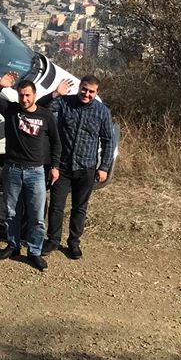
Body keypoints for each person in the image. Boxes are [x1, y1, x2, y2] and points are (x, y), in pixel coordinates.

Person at [0, 72, 61, 271]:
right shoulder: (11, 110)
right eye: (21, 95)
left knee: (37, 216)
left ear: (35, 95)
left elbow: (56, 142)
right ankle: (13, 245)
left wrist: (55, 167)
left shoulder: (45, 115)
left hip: (36, 172)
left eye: (28, 95)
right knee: (12, 213)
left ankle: (34, 251)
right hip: (12, 170)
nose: (24, 99)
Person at [37, 75, 115, 260]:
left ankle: (74, 242)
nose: (86, 94)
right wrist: (55, 93)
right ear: (79, 88)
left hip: (86, 167)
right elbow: (40, 108)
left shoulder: (102, 111)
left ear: (97, 92)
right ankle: (53, 240)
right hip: (62, 166)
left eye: (91, 91)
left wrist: (103, 167)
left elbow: (108, 141)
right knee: (57, 206)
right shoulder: (65, 103)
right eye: (84, 89)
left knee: (80, 207)